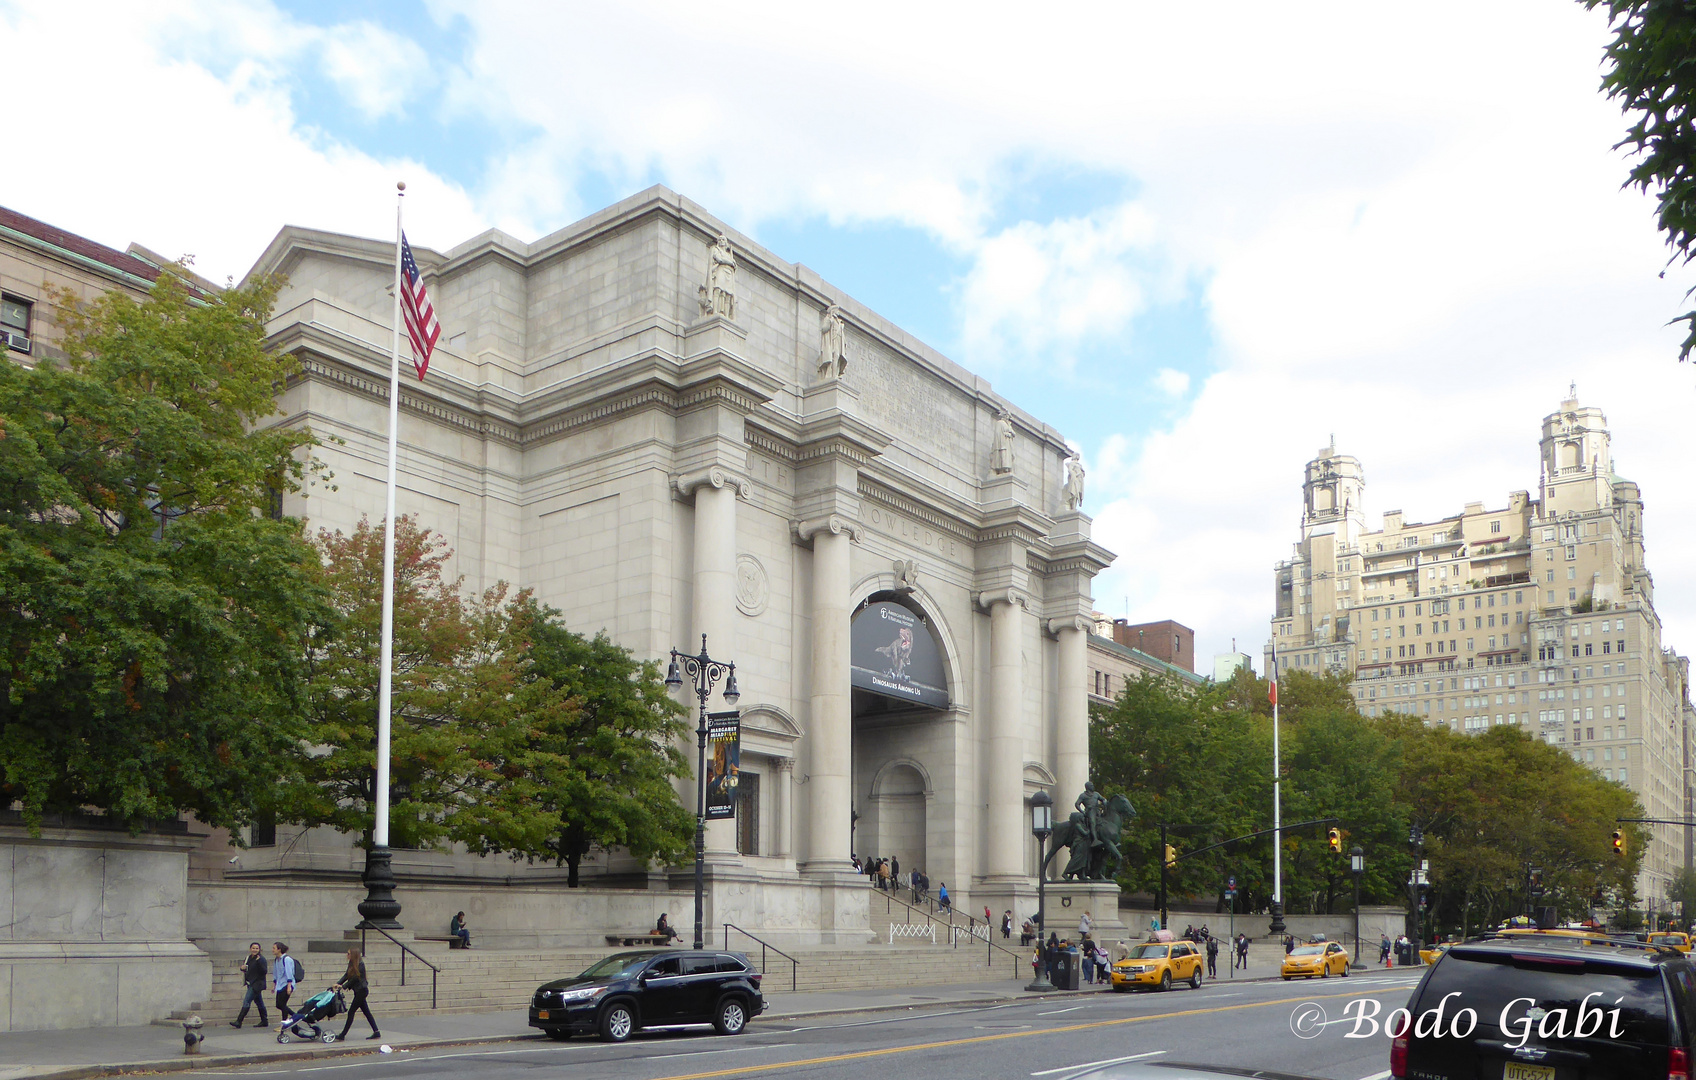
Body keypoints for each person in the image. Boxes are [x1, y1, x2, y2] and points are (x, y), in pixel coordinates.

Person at [332, 948, 380, 1042]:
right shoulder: (351, 964)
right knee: (366, 1012)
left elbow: (355, 978)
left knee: (351, 1012)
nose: (347, 955)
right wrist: (338, 983)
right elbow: (347, 975)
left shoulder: (360, 965)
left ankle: (343, 1034)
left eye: (349, 953)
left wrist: (343, 986)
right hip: (358, 992)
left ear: (353, 955)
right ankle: (376, 1031)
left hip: (362, 991)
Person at [230, 942, 269, 1028]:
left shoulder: (261, 959)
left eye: (256, 948)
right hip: (250, 982)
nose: (255, 950)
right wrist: (242, 968)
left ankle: (239, 1021)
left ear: (259, 950)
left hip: (256, 984)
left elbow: (264, 971)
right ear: (250, 949)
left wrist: (258, 962)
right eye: (253, 948)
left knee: (247, 1001)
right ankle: (264, 1021)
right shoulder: (248, 958)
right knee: (259, 1002)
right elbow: (247, 969)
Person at [272, 942, 298, 1023]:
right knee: (278, 1004)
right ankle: (295, 1016)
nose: (272, 950)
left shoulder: (286, 959)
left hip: (287, 984)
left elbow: (289, 973)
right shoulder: (277, 959)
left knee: (282, 1004)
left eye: (274, 948)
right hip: (280, 984)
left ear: (279, 949)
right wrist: (274, 985)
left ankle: (284, 1023)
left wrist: (289, 986)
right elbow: (276, 973)